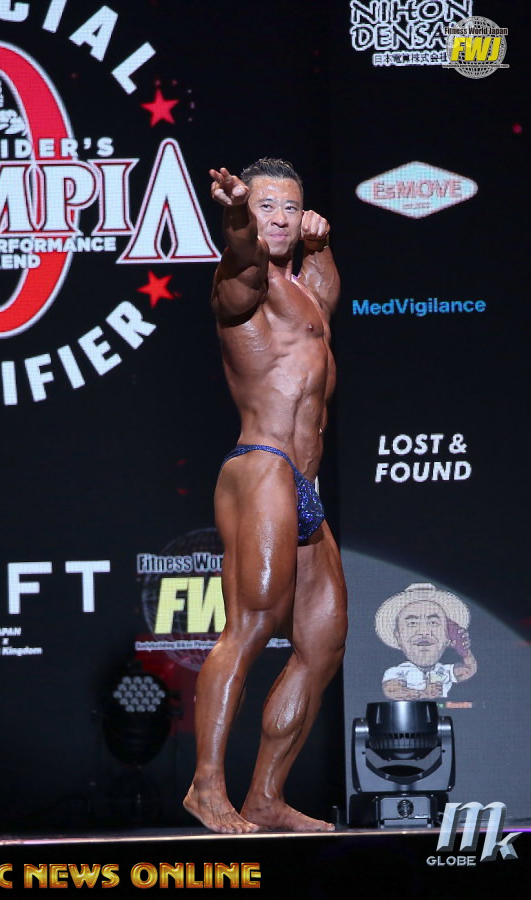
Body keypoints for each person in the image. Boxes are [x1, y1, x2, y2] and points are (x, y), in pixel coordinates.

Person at [183, 159, 347, 834]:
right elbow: (246, 258)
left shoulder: (301, 289)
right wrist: (235, 214)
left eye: (290, 208)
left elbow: (325, 301)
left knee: (323, 644)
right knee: (250, 628)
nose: (278, 219)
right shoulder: (239, 281)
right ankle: (205, 788)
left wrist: (321, 245)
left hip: (305, 484)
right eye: (266, 207)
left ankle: (265, 798)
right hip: (263, 466)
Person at [375, 582, 477, 700]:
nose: (424, 632)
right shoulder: (398, 672)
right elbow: (392, 690)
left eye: (433, 622)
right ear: (398, 636)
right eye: (412, 623)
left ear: (447, 635)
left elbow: (469, 670)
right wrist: (423, 693)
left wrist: (463, 649)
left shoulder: (443, 671)